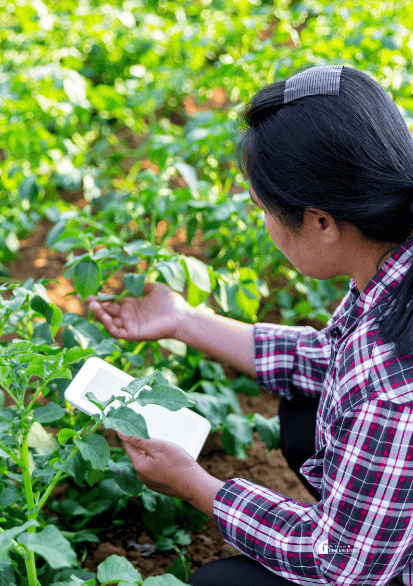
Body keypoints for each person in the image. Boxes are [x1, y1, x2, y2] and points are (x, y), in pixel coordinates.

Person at [86, 65, 413, 585]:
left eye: (264, 208)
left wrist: (194, 483)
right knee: (305, 412)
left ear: (322, 222)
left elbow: (338, 563)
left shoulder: (390, 385)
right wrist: (184, 320)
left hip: (353, 562)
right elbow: (334, 359)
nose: (263, 222)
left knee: (221, 584)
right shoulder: (394, 262)